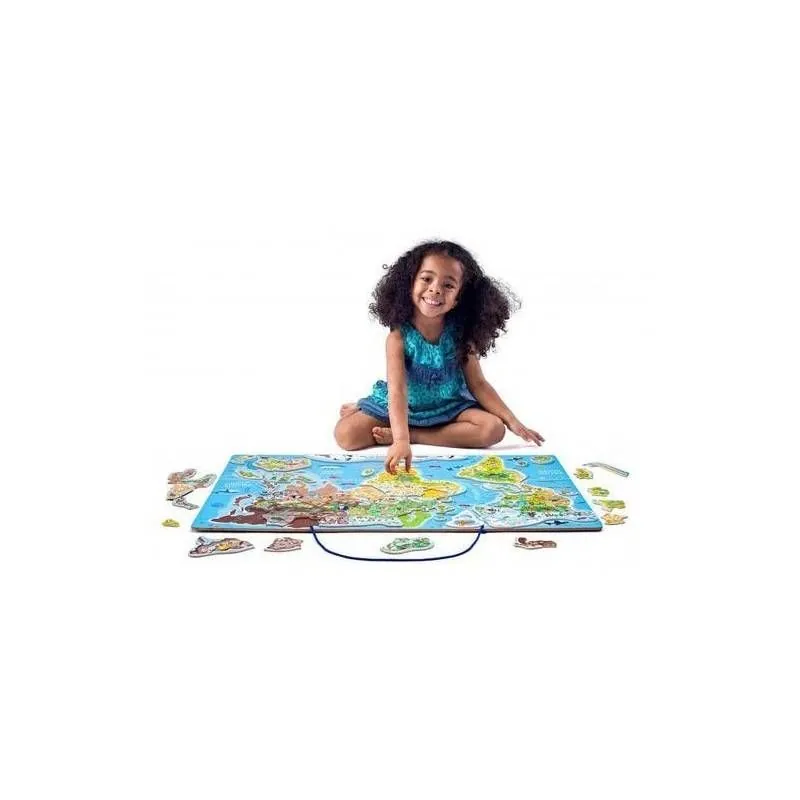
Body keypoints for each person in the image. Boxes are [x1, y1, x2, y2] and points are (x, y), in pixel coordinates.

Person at [334, 240, 545, 473]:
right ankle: (374, 411)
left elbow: (478, 384)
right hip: (407, 406)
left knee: (493, 429)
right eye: (426, 279)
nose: (435, 289)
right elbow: (397, 391)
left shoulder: (461, 334)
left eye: (448, 285)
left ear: (458, 298)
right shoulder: (398, 337)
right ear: (409, 284)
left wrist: (512, 421)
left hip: (450, 407)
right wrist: (400, 441)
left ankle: (417, 434)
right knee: (346, 435)